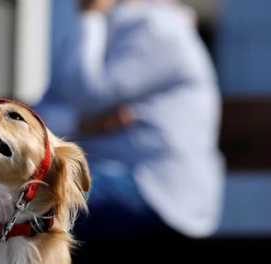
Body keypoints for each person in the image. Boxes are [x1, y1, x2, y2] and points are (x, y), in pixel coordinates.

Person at [39, 0, 224, 239]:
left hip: (156, 187)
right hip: (105, 171)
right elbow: (44, 112)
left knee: (35, 198)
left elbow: (89, 93)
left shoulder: (160, 27)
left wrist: (90, 17)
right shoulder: (103, 26)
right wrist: (81, 124)